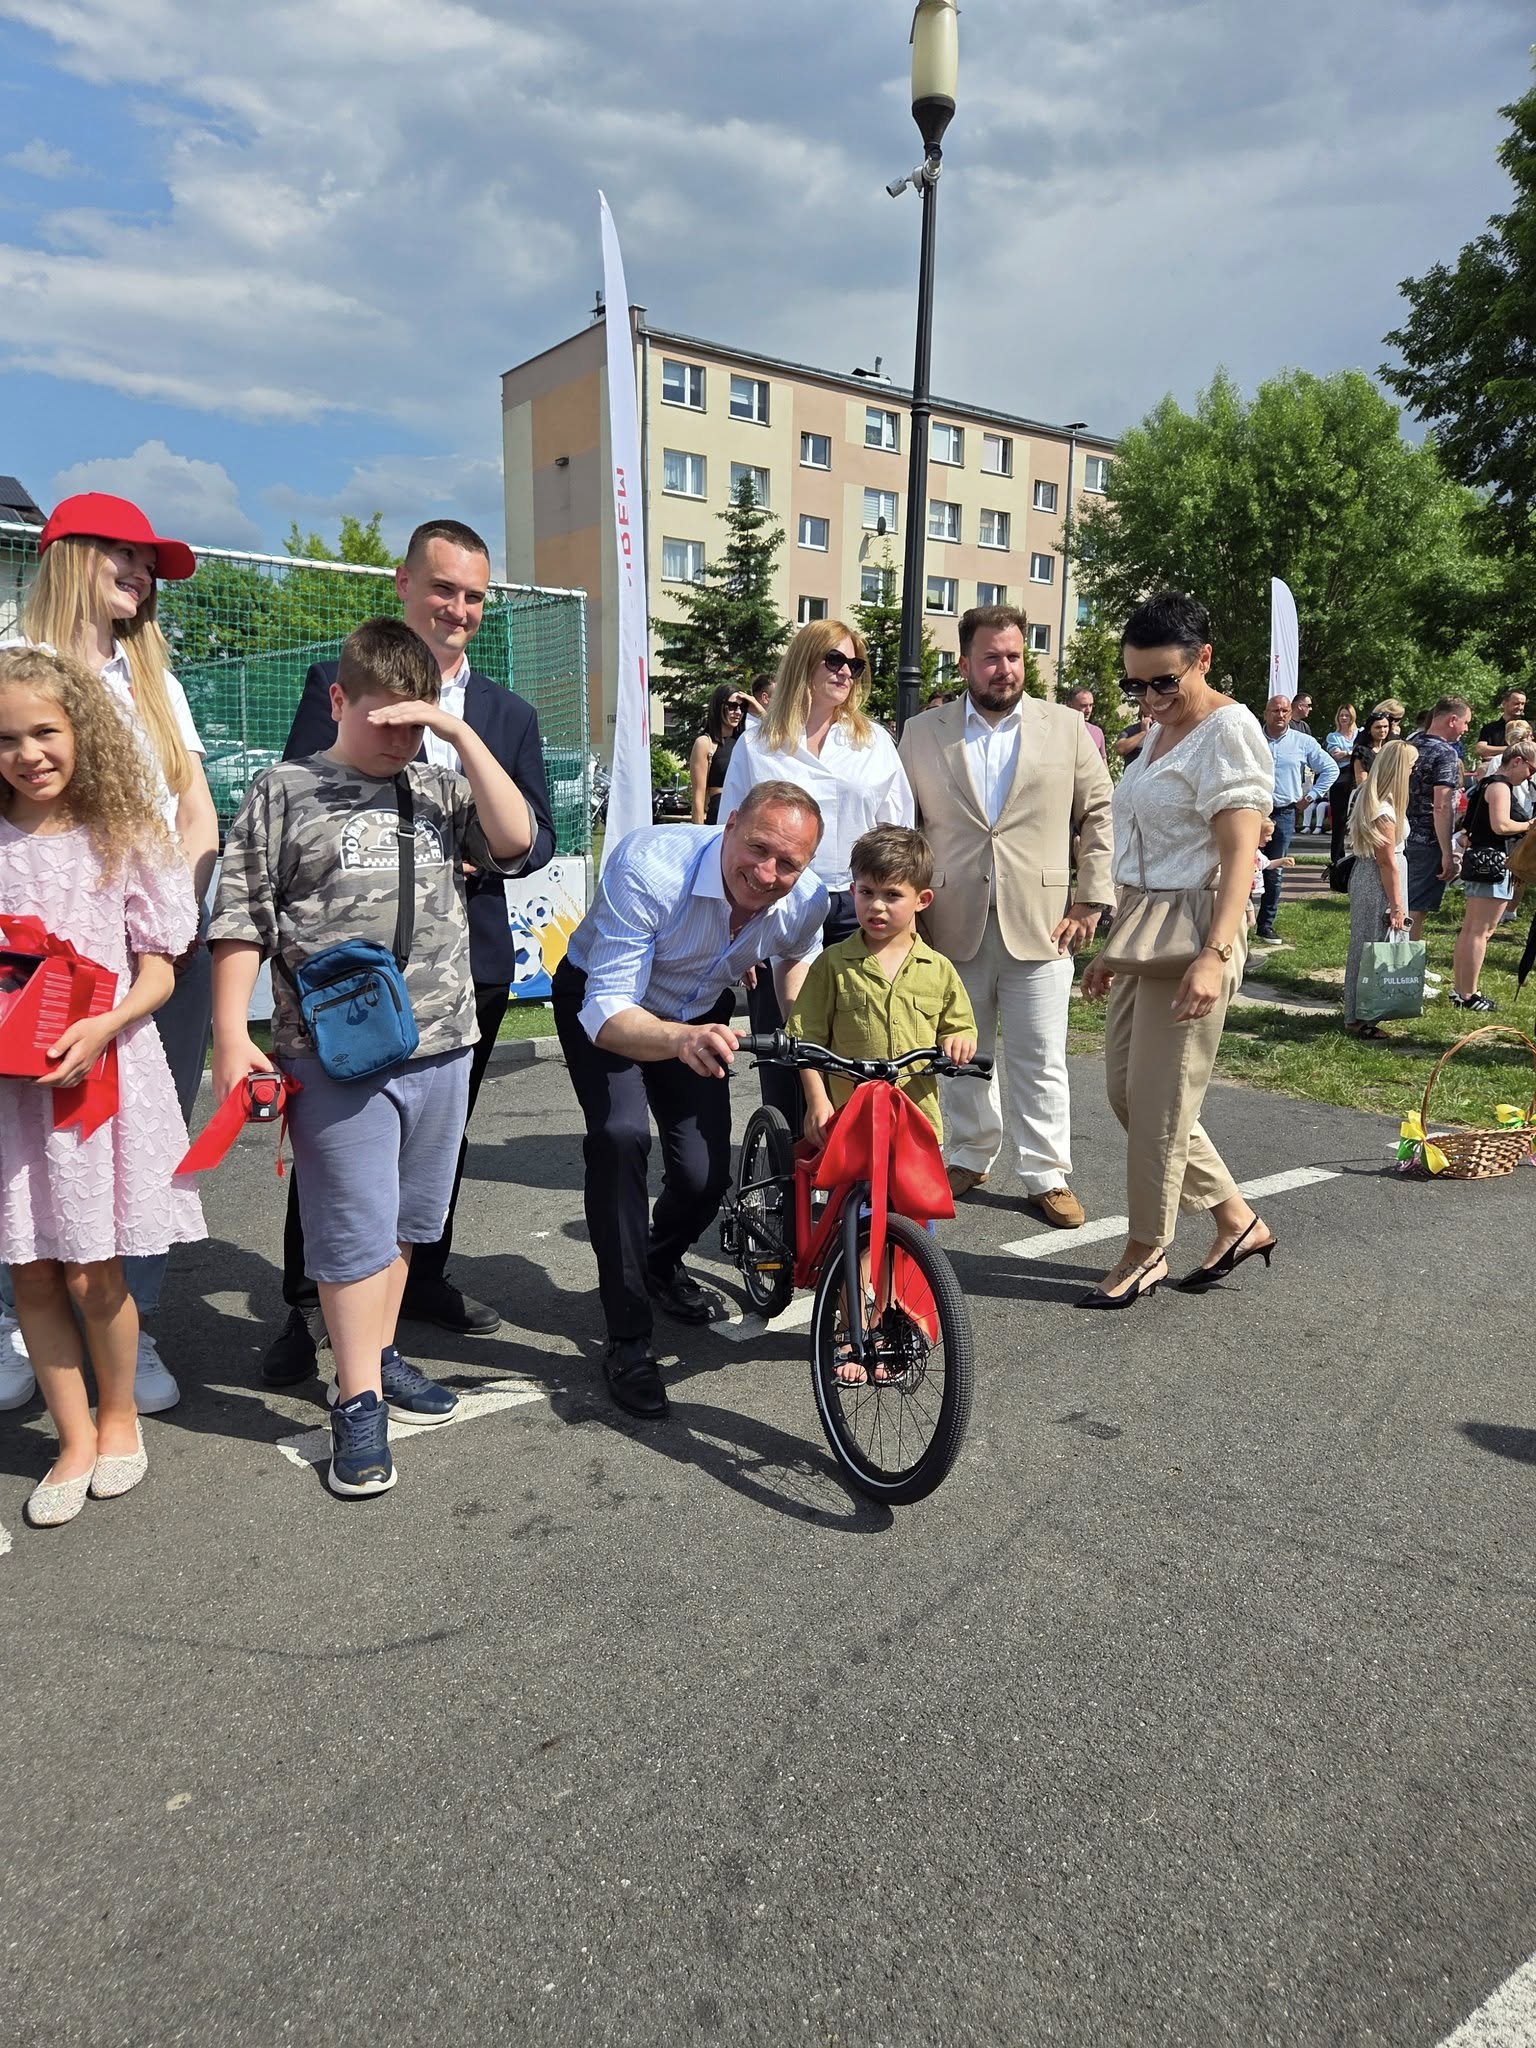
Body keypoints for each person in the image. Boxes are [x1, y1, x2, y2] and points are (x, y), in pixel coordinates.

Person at [209, 619, 534, 1500]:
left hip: (442, 1043)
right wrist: (233, 1035)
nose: (398, 740)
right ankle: (357, 1403)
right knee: (351, 1228)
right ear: (338, 699)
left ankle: (378, 1356)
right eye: (382, 719)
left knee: (404, 1225)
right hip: (336, 1052)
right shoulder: (285, 789)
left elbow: (514, 841)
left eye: (413, 722)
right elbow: (241, 915)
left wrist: (456, 732)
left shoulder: (440, 787)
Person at [260, 519, 555, 1388]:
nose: (457, 608)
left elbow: (533, 837)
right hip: (352, 975)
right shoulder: (341, 679)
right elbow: (308, 808)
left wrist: (467, 855)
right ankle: (305, 1305)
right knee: (337, 1146)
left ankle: (418, 1284)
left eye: (473, 596)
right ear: (404, 584)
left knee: (435, 1139)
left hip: (463, 964)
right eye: (443, 589)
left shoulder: (507, 713)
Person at [0, 493, 219, 1418]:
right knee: (26, 1141)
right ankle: (18, 1319)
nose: (140, 574)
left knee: (134, 1149)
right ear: (67, 555)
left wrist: (174, 919)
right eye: (121, 554)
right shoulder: (12, 659)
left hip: (151, 944)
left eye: (149, 563)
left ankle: (137, 1321)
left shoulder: (153, 679)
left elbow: (195, 808)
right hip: (38, 954)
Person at [552, 783, 827, 1421]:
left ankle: (657, 1260)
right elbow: (607, 1009)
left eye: (789, 863)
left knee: (704, 1177)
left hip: (699, 1012)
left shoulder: (806, 899)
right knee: (620, 1138)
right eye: (757, 849)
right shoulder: (650, 865)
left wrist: (805, 1033)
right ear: (728, 827)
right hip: (609, 1006)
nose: (768, 874)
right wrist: (679, 1040)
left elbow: (794, 959)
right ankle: (628, 1340)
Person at [1078, 593, 1274, 1307]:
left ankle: (1145, 1248)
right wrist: (1112, 947)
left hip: (1197, 927)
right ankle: (1236, 1219)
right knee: (1126, 1093)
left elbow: (1240, 852)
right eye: (1135, 683)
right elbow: (1143, 845)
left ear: (1204, 659)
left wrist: (1215, 954)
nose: (1150, 697)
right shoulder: (1159, 732)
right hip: (1144, 927)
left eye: (1165, 680)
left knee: (1160, 1102)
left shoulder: (1229, 730)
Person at [896, 604, 1113, 1229]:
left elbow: (1100, 812)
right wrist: (906, 910)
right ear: (965, 663)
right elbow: (905, 825)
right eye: (991, 657)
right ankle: (969, 1154)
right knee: (961, 1051)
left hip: (1045, 921)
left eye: (1014, 656)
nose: (1005, 668)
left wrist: (1090, 898)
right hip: (947, 921)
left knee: (1040, 1057)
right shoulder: (923, 732)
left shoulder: (1066, 727)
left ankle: (1047, 1173)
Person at [784, 825, 976, 1381]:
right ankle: (853, 1332)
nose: (876, 906)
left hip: (914, 1130)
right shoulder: (833, 965)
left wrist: (959, 1041)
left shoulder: (938, 970)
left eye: (892, 895)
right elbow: (805, 1041)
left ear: (922, 899)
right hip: (851, 1128)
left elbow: (960, 1026)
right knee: (858, 1232)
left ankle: (893, 1322)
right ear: (852, 891)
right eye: (866, 892)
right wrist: (816, 1101)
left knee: (907, 1236)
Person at [717, 619, 913, 1128]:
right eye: (835, 659)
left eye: (855, 664)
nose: (846, 672)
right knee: (784, 1044)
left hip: (856, 905)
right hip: (774, 903)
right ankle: (786, 1159)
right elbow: (727, 836)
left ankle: (853, 1155)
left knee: (860, 1041)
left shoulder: (874, 742)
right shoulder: (758, 744)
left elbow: (899, 833)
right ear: (805, 660)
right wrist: (734, 926)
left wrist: (903, 918)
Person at [1451, 739, 1536, 1010]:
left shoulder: (1486, 784)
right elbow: (1501, 826)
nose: (1530, 776)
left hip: (1481, 861)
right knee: (1482, 932)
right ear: (1517, 761)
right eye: (1532, 770)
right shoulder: (1500, 786)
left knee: (1470, 930)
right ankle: (1469, 994)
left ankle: (1460, 990)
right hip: (1493, 863)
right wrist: (1530, 824)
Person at [1342, 739, 1416, 1041]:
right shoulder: (1383, 809)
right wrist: (1397, 906)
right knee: (1373, 942)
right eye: (1411, 766)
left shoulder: (1372, 797)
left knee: (1368, 942)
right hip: (1377, 880)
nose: (1413, 771)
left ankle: (1363, 1011)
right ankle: (1362, 1015)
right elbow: (1386, 862)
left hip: (1373, 876)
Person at [1254, 696, 1336, 944]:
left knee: (1275, 870)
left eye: (1284, 711)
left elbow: (1330, 768)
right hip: (1252, 811)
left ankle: (1265, 924)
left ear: (1290, 714)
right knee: (1243, 864)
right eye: (1275, 710)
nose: (1280, 715)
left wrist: (1311, 796)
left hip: (1283, 812)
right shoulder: (1252, 738)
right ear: (1265, 713)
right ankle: (1239, 920)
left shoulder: (1303, 742)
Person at [1404, 697, 1473, 941]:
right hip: (1427, 839)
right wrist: (1447, 852)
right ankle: (1404, 961)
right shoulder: (1445, 753)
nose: (1466, 729)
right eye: (1466, 722)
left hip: (1397, 833)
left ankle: (1387, 954)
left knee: (1395, 900)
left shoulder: (1408, 746)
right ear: (1452, 720)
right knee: (1415, 906)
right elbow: (1442, 805)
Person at [689, 683, 749, 825]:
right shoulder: (705, 743)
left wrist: (755, 705)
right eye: (732, 706)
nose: (738, 712)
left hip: (744, 819)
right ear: (718, 706)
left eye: (742, 707)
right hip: (718, 819)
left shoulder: (746, 741)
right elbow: (698, 797)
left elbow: (774, 733)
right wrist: (699, 831)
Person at [1475, 688, 1527, 763]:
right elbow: (1480, 749)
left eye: (1522, 704)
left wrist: (1495, 754)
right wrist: (1513, 749)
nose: (1520, 707)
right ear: (1504, 703)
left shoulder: (1529, 727)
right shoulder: (1490, 728)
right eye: (1516, 703)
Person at [1065, 686, 1107, 757]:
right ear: (1070, 705)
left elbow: (1103, 761)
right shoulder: (1058, 730)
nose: (1088, 710)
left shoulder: (1097, 732)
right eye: (1083, 706)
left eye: (1091, 705)